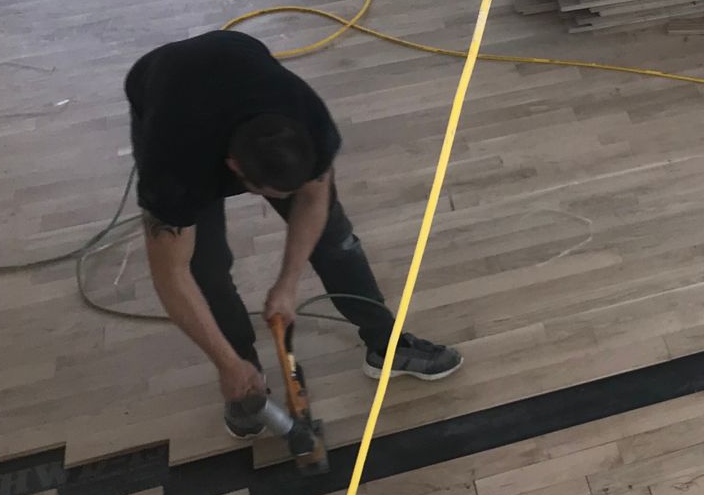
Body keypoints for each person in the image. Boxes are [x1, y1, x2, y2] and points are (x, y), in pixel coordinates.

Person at [127, 30, 462, 438]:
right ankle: (244, 381)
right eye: (278, 195)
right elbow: (171, 276)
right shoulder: (174, 165)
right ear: (234, 169)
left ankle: (387, 345)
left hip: (238, 61)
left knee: (336, 242)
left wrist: (288, 283)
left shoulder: (309, 122)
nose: (290, 199)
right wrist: (227, 365)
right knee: (207, 271)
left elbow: (314, 200)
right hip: (165, 95)